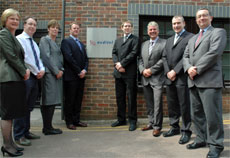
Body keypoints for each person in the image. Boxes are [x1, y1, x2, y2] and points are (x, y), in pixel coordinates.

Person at [183, 8, 227, 158]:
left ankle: (216, 145)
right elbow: (185, 57)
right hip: (193, 81)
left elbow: (214, 53)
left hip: (209, 81)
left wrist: (197, 69)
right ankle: (201, 139)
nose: (201, 18)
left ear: (211, 18)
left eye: (204, 15)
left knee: (212, 116)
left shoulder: (218, 32)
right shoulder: (192, 39)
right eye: (199, 16)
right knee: (197, 115)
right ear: (196, 20)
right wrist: (189, 68)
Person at [0, 8, 30, 157]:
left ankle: (11, 143)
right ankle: (6, 145)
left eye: (17, 19)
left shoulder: (13, 36)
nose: (15, 21)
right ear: (5, 20)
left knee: (11, 114)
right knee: (7, 114)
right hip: (8, 78)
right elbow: (11, 56)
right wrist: (24, 71)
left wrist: (23, 71)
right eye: (11, 18)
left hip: (15, 78)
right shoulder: (3, 34)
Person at [13, 16, 45, 146]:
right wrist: (37, 70)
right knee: (21, 106)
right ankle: (18, 135)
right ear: (24, 25)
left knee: (29, 107)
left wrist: (42, 69)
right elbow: (25, 59)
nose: (32, 27)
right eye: (30, 24)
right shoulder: (19, 40)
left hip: (35, 76)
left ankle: (26, 131)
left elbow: (38, 58)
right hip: (26, 76)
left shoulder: (33, 43)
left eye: (35, 25)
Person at [162, 15, 193, 144]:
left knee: (184, 105)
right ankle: (174, 127)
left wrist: (175, 71)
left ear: (184, 23)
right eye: (174, 24)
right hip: (170, 78)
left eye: (178, 23)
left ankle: (186, 131)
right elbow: (164, 57)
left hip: (182, 78)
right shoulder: (169, 40)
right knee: (172, 104)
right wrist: (168, 72)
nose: (176, 26)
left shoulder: (190, 37)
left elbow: (188, 57)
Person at [138, 21, 166, 136]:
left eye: (154, 29)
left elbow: (163, 59)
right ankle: (151, 122)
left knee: (157, 103)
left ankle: (157, 126)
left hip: (157, 78)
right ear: (147, 31)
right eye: (150, 30)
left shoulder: (164, 43)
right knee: (149, 103)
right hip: (145, 78)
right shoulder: (144, 44)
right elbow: (140, 59)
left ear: (158, 31)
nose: (152, 31)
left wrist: (151, 70)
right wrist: (142, 70)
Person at [111, 20, 140, 131]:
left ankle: (132, 121)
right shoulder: (117, 41)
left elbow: (134, 53)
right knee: (120, 97)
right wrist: (117, 65)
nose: (127, 28)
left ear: (132, 28)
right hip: (118, 73)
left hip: (130, 73)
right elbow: (114, 53)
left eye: (129, 26)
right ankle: (121, 119)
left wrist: (122, 64)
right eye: (125, 26)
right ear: (121, 28)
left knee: (131, 98)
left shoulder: (135, 40)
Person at [61, 22, 88, 130]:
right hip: (71, 77)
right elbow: (69, 58)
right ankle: (69, 122)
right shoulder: (66, 42)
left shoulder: (81, 44)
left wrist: (85, 70)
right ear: (70, 30)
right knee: (70, 100)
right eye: (74, 28)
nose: (76, 30)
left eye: (77, 28)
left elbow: (86, 59)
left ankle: (76, 120)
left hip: (81, 77)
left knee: (78, 100)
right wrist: (78, 71)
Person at [39, 20, 63, 135]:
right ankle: (47, 128)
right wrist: (56, 71)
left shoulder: (56, 42)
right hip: (49, 74)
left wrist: (61, 70)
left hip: (57, 74)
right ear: (48, 29)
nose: (55, 29)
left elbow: (59, 59)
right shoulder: (45, 40)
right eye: (52, 27)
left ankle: (48, 127)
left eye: (57, 28)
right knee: (48, 101)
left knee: (52, 101)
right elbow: (46, 57)